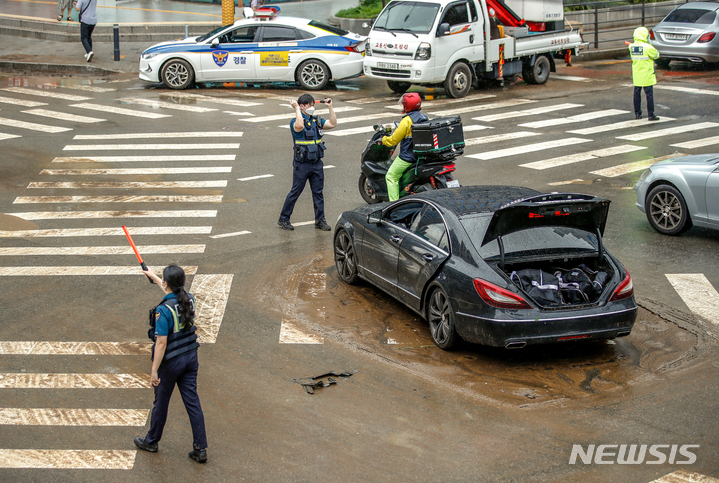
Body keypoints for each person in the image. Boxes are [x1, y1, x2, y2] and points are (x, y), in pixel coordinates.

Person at [134, 264, 208, 464]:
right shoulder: (189, 299)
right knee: (193, 403)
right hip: (191, 358)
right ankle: (200, 449)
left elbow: (161, 343)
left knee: (161, 403)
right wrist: (154, 277)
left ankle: (152, 441)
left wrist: (154, 371)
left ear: (167, 284)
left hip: (171, 362)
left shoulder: (163, 310)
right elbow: (173, 293)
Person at [278, 94, 337, 231]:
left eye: (313, 105)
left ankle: (320, 220)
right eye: (310, 105)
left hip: (316, 163)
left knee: (318, 193)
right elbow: (299, 126)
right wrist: (297, 109)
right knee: (295, 192)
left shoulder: (316, 121)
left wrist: (330, 107)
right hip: (302, 164)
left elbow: (333, 124)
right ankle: (283, 218)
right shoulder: (295, 122)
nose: (312, 108)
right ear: (303, 106)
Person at [381, 92, 428, 202]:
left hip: (408, 157)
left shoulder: (406, 121)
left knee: (391, 176)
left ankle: (394, 204)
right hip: (422, 156)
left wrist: (383, 139)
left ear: (407, 106)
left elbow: (393, 140)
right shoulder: (425, 117)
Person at [628, 26, 660, 121]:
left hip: (637, 74)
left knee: (636, 94)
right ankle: (651, 114)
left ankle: (637, 113)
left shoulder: (631, 47)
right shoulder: (647, 47)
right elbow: (656, 55)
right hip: (647, 75)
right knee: (649, 95)